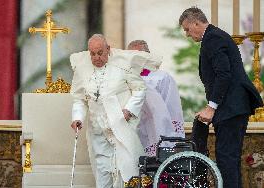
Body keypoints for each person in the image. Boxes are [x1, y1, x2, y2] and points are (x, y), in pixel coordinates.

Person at [179, 7, 263, 188]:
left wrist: (211, 107)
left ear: (196, 22)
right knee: (229, 160)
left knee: (226, 160)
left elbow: (223, 74)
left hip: (231, 108)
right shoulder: (214, 37)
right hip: (233, 107)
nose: (187, 34)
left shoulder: (213, 38)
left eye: (187, 29)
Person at [70, 34, 159, 187]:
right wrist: (77, 117)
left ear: (108, 50)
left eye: (100, 53)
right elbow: (79, 98)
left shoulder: (122, 65)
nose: (96, 57)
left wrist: (128, 110)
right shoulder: (82, 69)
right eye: (92, 54)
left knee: (124, 167)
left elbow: (139, 89)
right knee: (103, 168)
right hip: (98, 128)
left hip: (121, 125)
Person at [127, 40, 185, 156]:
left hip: (157, 129)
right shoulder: (125, 78)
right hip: (134, 130)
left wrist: (174, 136)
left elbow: (172, 107)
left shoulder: (162, 77)